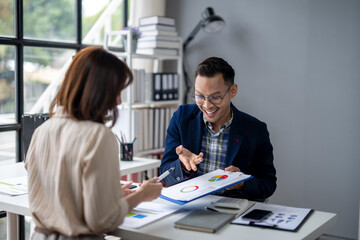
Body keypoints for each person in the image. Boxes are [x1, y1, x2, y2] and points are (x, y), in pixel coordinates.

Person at [25, 47, 162, 239]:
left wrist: (109, 197)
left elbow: (57, 193)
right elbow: (102, 220)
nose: (119, 101)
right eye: (116, 92)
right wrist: (141, 195)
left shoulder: (42, 131)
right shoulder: (98, 136)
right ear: (98, 91)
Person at [160, 57, 276, 201]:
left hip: (232, 211)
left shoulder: (255, 130)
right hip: (190, 207)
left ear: (232, 91)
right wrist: (183, 166)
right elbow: (165, 174)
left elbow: (268, 184)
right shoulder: (181, 118)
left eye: (215, 97)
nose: (207, 106)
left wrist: (241, 184)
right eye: (200, 96)